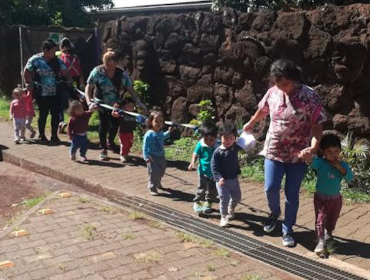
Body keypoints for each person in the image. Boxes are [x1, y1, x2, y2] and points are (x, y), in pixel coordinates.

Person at [243, 59, 327, 247]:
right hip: (274, 149)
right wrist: (251, 123)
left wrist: (313, 148)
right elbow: (262, 110)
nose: (283, 88)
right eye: (279, 84)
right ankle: (274, 213)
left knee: (292, 193)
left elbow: (317, 126)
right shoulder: (273, 92)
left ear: (294, 78)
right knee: (270, 187)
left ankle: (287, 228)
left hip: (298, 154)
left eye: (286, 84)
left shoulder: (309, 96)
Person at [85, 49, 147, 161]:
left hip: (115, 103)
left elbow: (130, 88)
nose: (110, 68)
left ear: (116, 64)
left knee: (114, 125)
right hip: (101, 103)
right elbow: (88, 88)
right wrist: (89, 102)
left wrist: (138, 102)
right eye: (107, 65)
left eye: (113, 66)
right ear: (104, 63)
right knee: (103, 125)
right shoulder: (97, 72)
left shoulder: (121, 73)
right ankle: (103, 148)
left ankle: (110, 142)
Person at [302, 134, 353, 254]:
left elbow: (349, 178)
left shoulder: (343, 165)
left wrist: (340, 168)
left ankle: (329, 232)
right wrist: (307, 156)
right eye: (329, 151)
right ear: (323, 152)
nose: (333, 154)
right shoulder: (320, 163)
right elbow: (311, 162)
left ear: (340, 151)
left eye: (336, 151)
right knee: (320, 218)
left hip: (336, 198)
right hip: (320, 197)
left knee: (332, 219)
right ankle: (320, 241)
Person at [23, 39, 73, 143]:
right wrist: (28, 83)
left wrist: (69, 80)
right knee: (43, 114)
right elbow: (26, 72)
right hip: (41, 92)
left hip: (55, 92)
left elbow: (66, 72)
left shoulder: (57, 61)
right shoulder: (35, 60)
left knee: (55, 114)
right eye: (53, 51)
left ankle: (54, 136)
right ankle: (42, 135)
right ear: (45, 50)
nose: (55, 53)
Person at [211, 123, 242, 227]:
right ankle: (223, 217)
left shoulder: (235, 148)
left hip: (234, 179)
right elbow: (214, 167)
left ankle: (231, 208)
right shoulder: (217, 152)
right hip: (222, 181)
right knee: (224, 199)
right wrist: (219, 178)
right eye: (225, 138)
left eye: (231, 138)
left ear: (235, 138)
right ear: (220, 137)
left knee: (237, 197)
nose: (228, 141)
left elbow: (246, 142)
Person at [188, 121, 219, 214]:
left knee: (213, 190)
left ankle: (208, 202)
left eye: (211, 140)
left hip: (215, 173)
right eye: (206, 140)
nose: (209, 142)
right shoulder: (201, 144)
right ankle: (198, 202)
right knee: (202, 188)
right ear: (202, 137)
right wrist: (192, 162)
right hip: (203, 172)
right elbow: (195, 154)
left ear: (216, 137)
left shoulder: (218, 145)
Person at [143, 110, 174, 196]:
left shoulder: (160, 132)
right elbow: (145, 147)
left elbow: (162, 137)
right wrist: (146, 157)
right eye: (156, 121)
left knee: (162, 170)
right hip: (152, 157)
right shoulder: (149, 134)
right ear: (151, 122)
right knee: (154, 172)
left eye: (161, 121)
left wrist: (169, 132)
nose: (158, 123)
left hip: (161, 156)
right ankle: (152, 186)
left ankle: (157, 181)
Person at [58, 37, 85, 134]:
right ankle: (75, 121)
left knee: (61, 102)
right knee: (74, 102)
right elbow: (80, 71)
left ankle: (61, 122)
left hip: (63, 81)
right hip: (75, 81)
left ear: (61, 46)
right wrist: (81, 83)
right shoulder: (75, 57)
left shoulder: (59, 56)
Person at [112, 97, 137, 163]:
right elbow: (114, 115)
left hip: (130, 132)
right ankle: (122, 155)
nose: (131, 107)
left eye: (132, 106)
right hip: (122, 132)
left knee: (130, 144)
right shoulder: (122, 113)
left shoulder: (134, 113)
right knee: (124, 144)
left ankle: (126, 153)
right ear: (124, 107)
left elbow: (142, 115)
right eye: (129, 106)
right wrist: (115, 109)